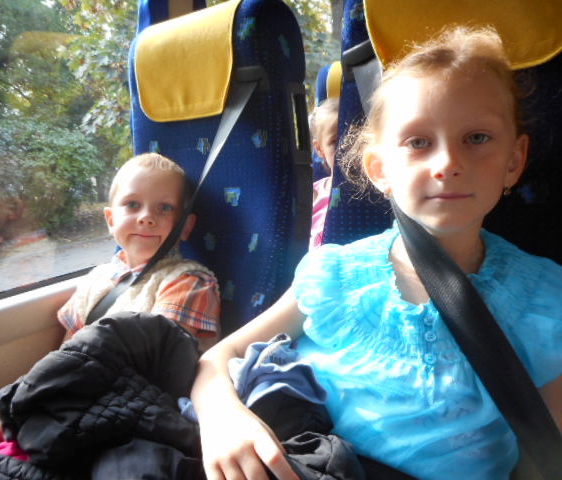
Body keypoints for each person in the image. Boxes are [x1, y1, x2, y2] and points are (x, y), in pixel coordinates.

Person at [190, 26, 562, 480]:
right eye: (419, 142)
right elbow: (216, 359)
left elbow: (546, 455)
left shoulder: (546, 297)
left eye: (477, 138)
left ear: (514, 160)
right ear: (380, 169)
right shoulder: (334, 276)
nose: (448, 163)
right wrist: (224, 419)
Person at [0, 152, 221, 450]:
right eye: (132, 205)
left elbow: (159, 365)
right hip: (83, 404)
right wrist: (34, 400)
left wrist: (22, 414)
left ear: (186, 226)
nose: (146, 217)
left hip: (146, 416)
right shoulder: (96, 280)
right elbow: (67, 355)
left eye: (164, 208)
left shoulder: (189, 283)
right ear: (111, 220)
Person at [308, 97, 339, 249]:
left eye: (354, 137)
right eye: (335, 141)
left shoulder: (384, 188)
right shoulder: (311, 195)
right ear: (320, 149)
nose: (346, 147)